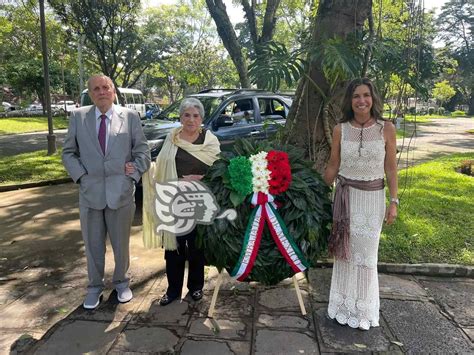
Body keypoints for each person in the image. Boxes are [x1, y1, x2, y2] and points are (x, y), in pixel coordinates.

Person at [62, 75, 151, 310]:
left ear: (113, 91)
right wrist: (80, 176)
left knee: (121, 244)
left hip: (121, 193)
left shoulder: (130, 117)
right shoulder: (78, 117)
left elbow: (143, 153)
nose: (101, 92)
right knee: (92, 245)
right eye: (96, 89)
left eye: (106, 87)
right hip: (90, 193)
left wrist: (132, 175)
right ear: (90, 93)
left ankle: (121, 283)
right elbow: (68, 153)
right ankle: (94, 287)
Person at [323, 78, 398, 330]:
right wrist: (317, 191)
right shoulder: (340, 129)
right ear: (350, 100)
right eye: (356, 96)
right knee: (344, 254)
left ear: (373, 98)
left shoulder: (386, 128)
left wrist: (394, 201)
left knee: (366, 255)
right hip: (345, 199)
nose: (362, 100)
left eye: (366, 95)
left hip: (373, 199)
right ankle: (342, 306)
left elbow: (391, 167)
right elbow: (333, 164)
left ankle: (363, 309)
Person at [142, 97, 221, 306]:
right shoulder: (172, 138)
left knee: (196, 247)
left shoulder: (210, 140)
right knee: (173, 248)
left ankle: (196, 288)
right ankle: (173, 290)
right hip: (173, 199)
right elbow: (161, 165)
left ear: (201, 118)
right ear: (181, 117)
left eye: (195, 116)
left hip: (199, 200)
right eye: (187, 115)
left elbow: (219, 170)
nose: (191, 119)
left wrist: (201, 179)